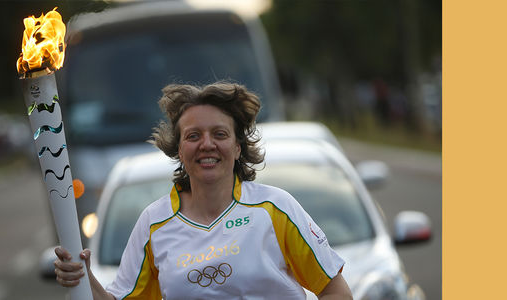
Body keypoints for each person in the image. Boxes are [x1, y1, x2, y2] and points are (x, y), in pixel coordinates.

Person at [54, 82, 352, 299]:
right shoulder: (154, 223)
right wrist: (85, 278)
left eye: (219, 134)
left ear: (237, 147)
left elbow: (335, 290)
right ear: (179, 150)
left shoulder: (274, 207)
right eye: (193, 136)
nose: (206, 144)